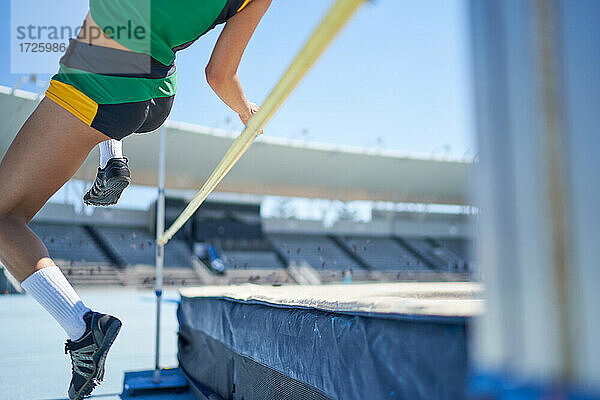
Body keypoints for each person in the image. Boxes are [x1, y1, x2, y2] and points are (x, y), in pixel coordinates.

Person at [0, 0, 272, 399]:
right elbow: (220, 76)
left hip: (99, 84)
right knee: (110, 25)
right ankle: (112, 157)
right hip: (155, 96)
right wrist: (246, 111)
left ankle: (83, 330)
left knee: (4, 217)